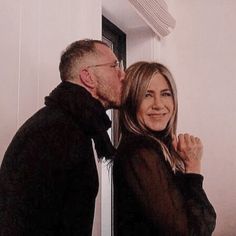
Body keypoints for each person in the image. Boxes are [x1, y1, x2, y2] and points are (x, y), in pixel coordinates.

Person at [0, 39, 125, 235]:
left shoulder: (67, 124)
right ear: (88, 77)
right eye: (114, 66)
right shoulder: (57, 130)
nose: (123, 75)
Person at [113, 61, 216, 235]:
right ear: (131, 101)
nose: (158, 105)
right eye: (147, 95)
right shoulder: (140, 152)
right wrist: (193, 167)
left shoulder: (158, 149)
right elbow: (191, 232)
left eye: (165, 94)